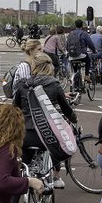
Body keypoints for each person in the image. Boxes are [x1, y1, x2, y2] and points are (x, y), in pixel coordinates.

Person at [13, 52, 77, 190]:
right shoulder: (54, 85)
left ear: (34, 66)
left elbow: (15, 108)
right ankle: (55, 177)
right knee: (58, 146)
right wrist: (74, 119)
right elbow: (66, 109)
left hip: (26, 134)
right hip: (45, 134)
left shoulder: (23, 85)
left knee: (21, 171)